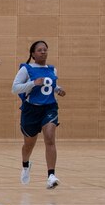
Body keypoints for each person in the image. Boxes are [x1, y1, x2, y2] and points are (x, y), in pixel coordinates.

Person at [12, 40, 66, 189]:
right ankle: (25, 166)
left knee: (49, 138)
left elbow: (50, 85)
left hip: (49, 108)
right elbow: (15, 88)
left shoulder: (52, 70)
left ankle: (51, 176)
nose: (43, 52)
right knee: (29, 145)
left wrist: (58, 90)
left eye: (45, 50)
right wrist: (33, 83)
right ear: (33, 54)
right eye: (40, 50)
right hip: (31, 110)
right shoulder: (26, 69)